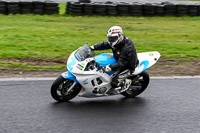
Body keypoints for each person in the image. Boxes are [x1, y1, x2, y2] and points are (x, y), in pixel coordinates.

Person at [90, 26, 138, 91]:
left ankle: (127, 82)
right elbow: (104, 44)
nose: (111, 40)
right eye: (110, 38)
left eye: (113, 38)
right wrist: (92, 47)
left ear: (120, 36)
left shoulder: (126, 47)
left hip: (127, 66)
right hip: (118, 58)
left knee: (114, 83)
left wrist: (110, 67)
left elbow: (121, 64)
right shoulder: (115, 42)